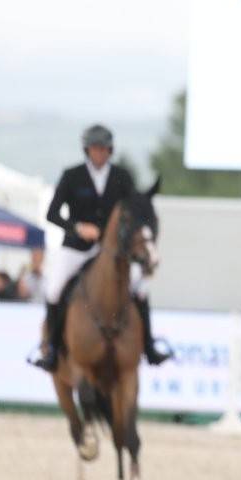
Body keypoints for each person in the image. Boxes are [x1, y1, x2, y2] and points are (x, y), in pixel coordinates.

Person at [30, 124, 171, 371]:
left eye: (104, 149)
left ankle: (149, 346)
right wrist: (77, 228)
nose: (100, 153)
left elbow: (134, 208)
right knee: (54, 290)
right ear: (87, 150)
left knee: (141, 288)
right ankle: (51, 348)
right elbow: (52, 214)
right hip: (76, 248)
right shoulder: (72, 176)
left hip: (112, 251)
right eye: (95, 149)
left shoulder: (121, 177)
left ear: (110, 150)